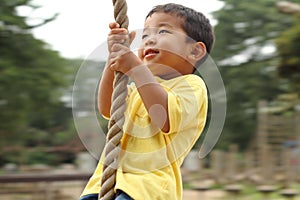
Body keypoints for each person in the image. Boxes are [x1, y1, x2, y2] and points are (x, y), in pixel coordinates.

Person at [80, 3, 214, 200]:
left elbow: (165, 118)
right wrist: (113, 59)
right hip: (103, 183)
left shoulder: (192, 85)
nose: (150, 39)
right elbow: (108, 107)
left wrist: (135, 68)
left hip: (148, 188)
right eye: (145, 36)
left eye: (162, 31)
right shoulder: (137, 90)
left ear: (194, 51)